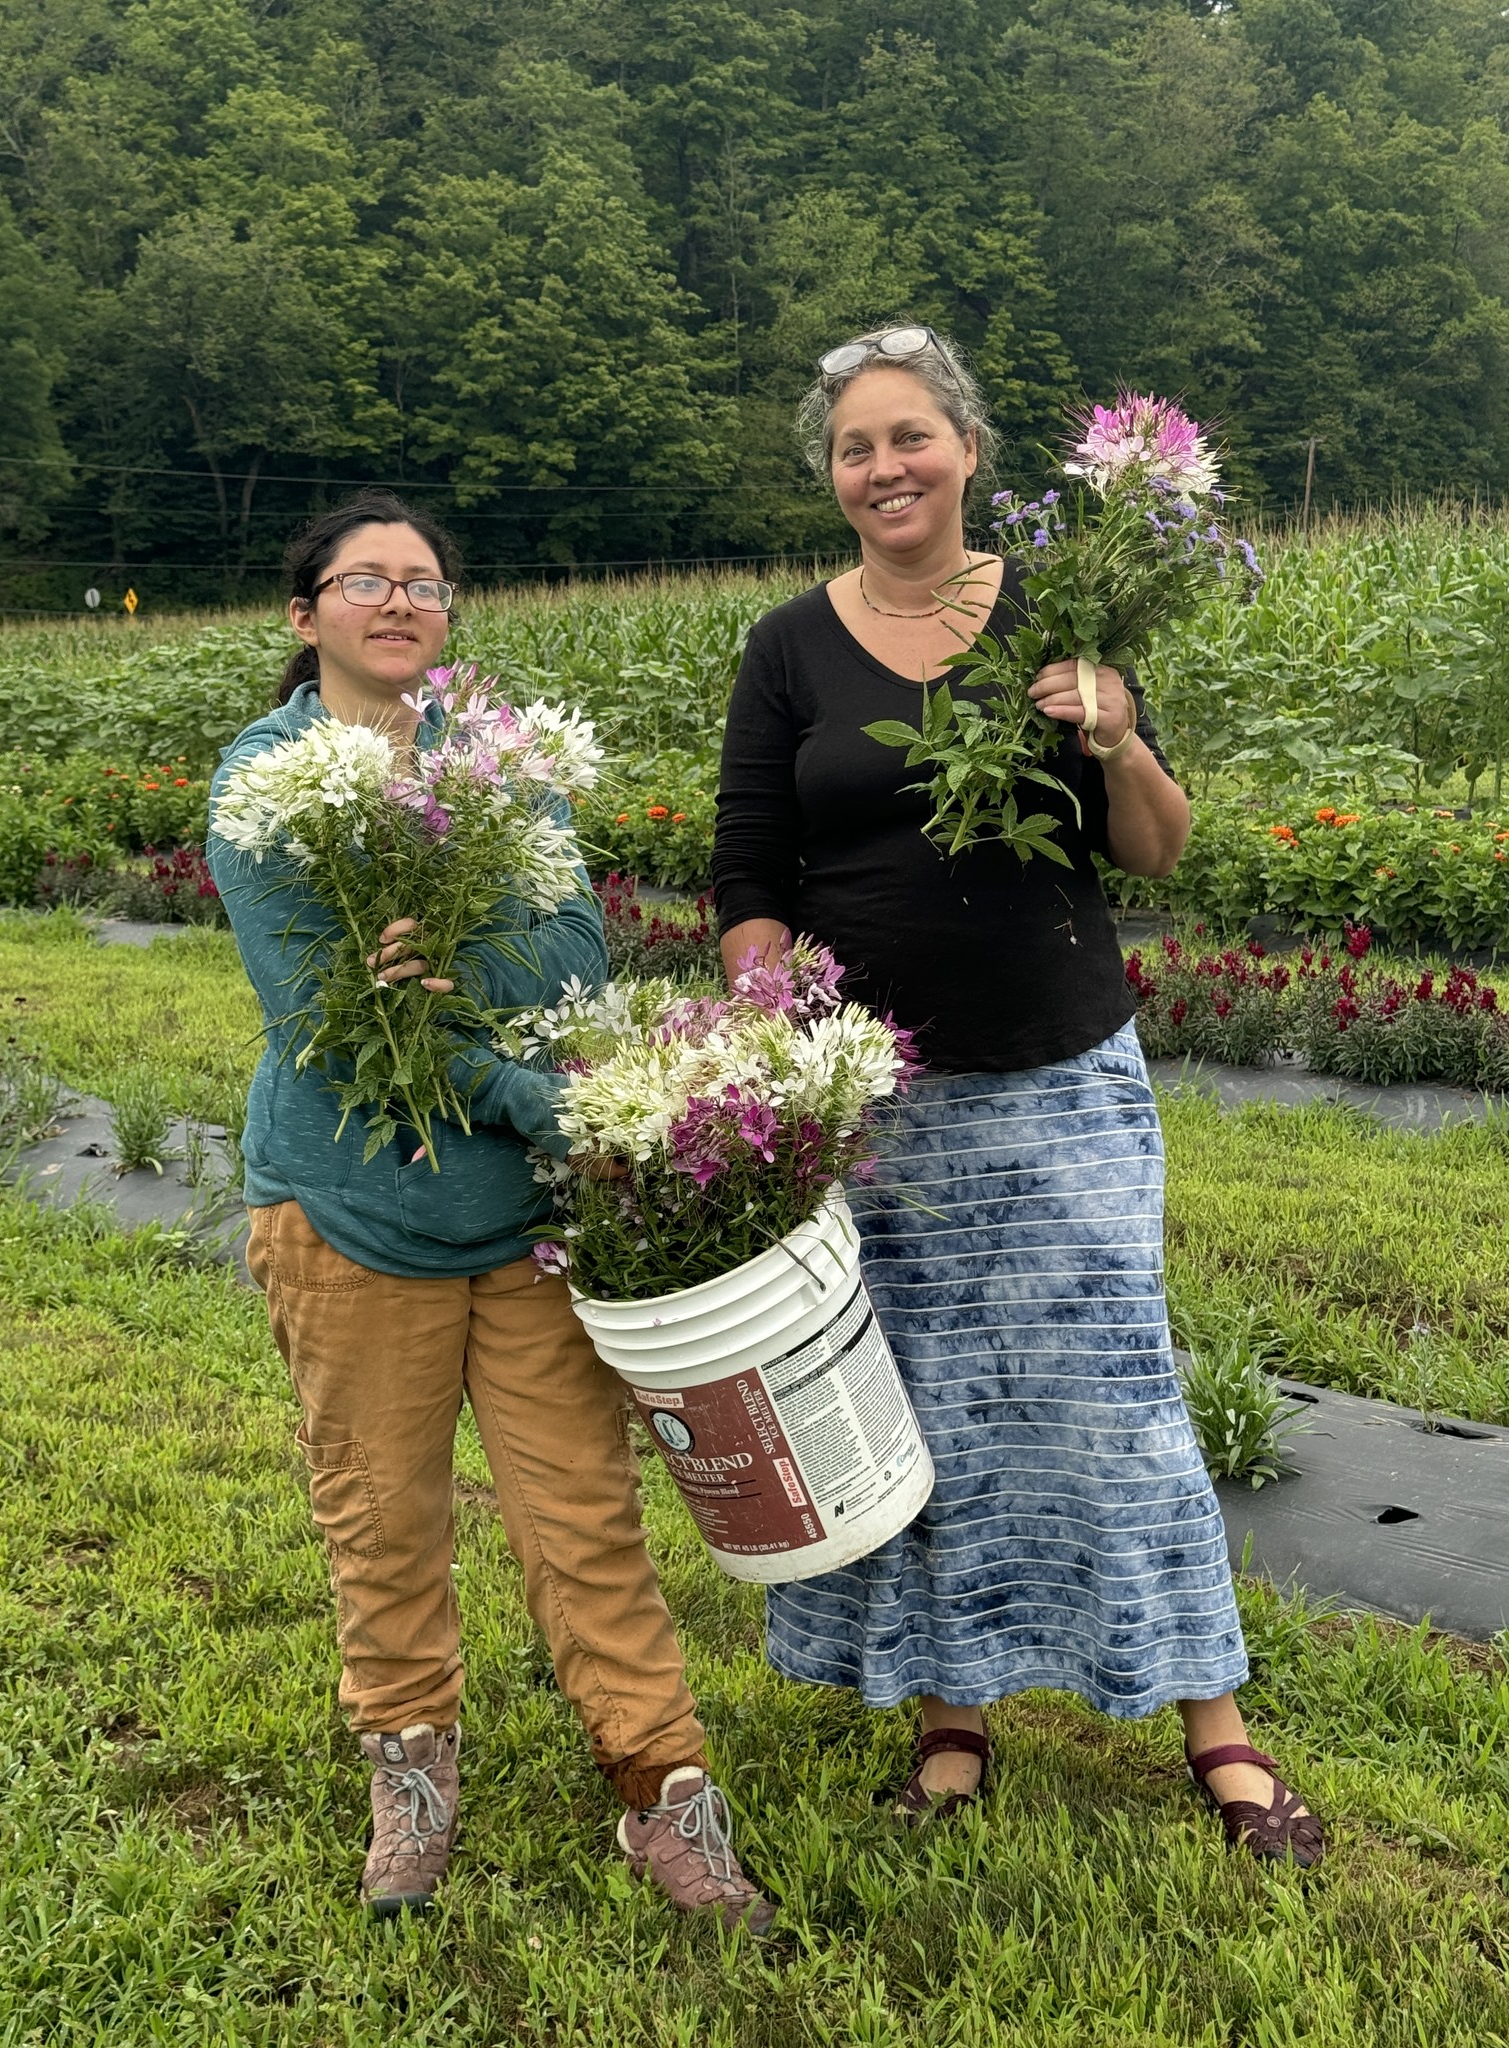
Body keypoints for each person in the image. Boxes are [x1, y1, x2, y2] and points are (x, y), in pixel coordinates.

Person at [711, 328, 1324, 1866]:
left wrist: (1111, 730)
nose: (885, 468)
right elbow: (750, 869)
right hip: (877, 1101)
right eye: (855, 449)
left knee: (1121, 1400)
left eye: (909, 437)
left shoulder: (1063, 612)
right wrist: (773, 1024)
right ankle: (952, 1713)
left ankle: (1217, 1725)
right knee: (921, 1409)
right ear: (832, 478)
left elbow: (1161, 850)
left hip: (1059, 1076)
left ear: (968, 451)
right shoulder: (789, 647)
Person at [207, 490, 774, 1926]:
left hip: (519, 1227)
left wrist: (451, 959)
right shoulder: (265, 779)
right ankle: (410, 1773)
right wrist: (543, 1101)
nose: (401, 602)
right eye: (366, 581)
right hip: (349, 1213)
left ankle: (665, 1791)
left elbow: (579, 943)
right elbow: (324, 1019)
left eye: (427, 584)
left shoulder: (501, 759)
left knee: (584, 1518)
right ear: (305, 614)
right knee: (382, 1520)